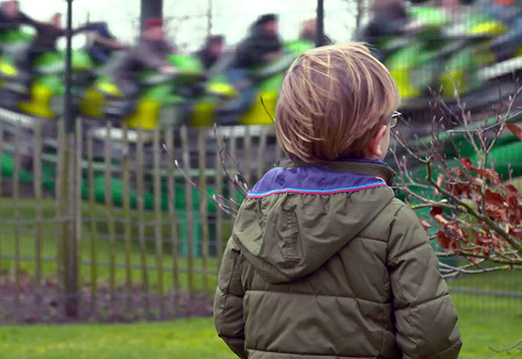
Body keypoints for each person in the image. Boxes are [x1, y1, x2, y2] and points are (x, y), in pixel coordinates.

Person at [213, 43, 461, 359]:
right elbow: (432, 338)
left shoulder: (256, 214)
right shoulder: (393, 221)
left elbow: (229, 321)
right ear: (377, 139)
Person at [215, 14, 282, 124]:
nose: (275, 27)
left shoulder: (275, 39)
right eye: (273, 24)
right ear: (265, 25)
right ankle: (225, 118)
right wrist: (265, 58)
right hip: (239, 70)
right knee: (246, 95)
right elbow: (247, 53)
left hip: (255, 71)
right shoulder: (254, 38)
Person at [108, 18, 175, 117]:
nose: (159, 33)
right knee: (132, 94)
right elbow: (148, 57)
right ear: (148, 31)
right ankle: (119, 119)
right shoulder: (142, 45)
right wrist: (161, 66)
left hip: (145, 76)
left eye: (160, 30)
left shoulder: (163, 45)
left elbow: (173, 56)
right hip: (127, 76)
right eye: (156, 30)